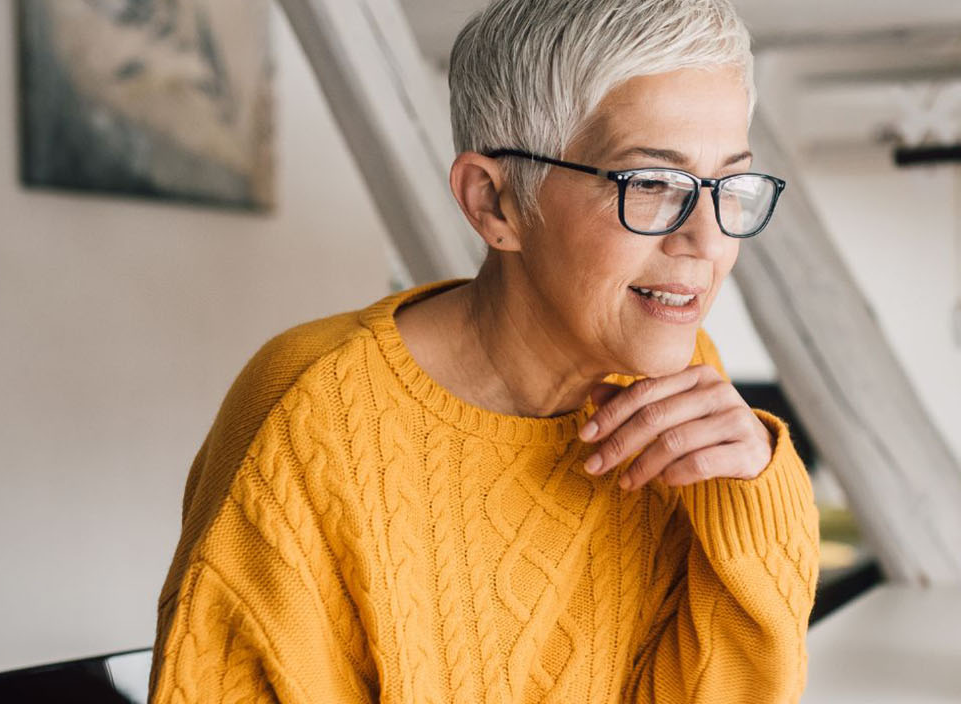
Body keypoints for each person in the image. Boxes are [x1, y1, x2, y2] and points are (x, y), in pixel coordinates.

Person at [148, 0, 819, 701]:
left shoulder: (676, 383)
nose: (708, 244)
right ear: (493, 203)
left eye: (729, 185)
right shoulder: (311, 414)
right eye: (651, 184)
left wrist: (753, 495)